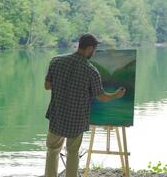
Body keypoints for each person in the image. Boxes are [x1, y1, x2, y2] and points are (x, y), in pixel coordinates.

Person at [44, 33, 126, 177]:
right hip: (76, 119)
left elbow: (47, 86)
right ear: (89, 48)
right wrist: (116, 95)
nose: (93, 53)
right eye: (94, 50)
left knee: (52, 150)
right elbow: (101, 97)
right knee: (73, 153)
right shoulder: (91, 71)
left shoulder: (56, 61)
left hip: (57, 115)